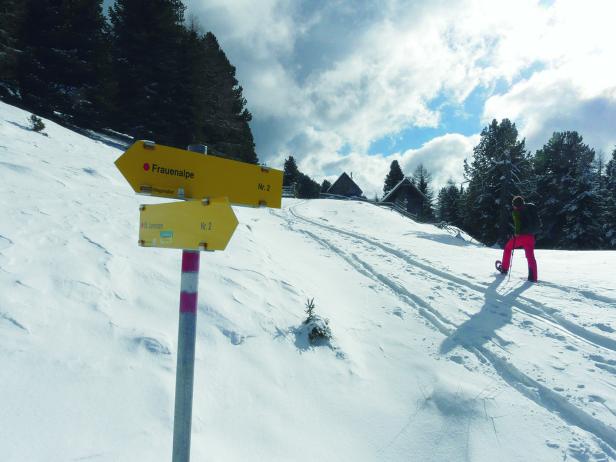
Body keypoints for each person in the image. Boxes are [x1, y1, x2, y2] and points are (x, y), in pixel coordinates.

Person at [496, 196, 539, 282]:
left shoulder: (516, 212)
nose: (513, 206)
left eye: (513, 204)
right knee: (530, 257)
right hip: (531, 236)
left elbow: (518, 225)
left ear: (516, 204)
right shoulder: (530, 208)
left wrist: (516, 233)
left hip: (521, 236)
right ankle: (533, 277)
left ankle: (504, 268)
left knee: (508, 248)